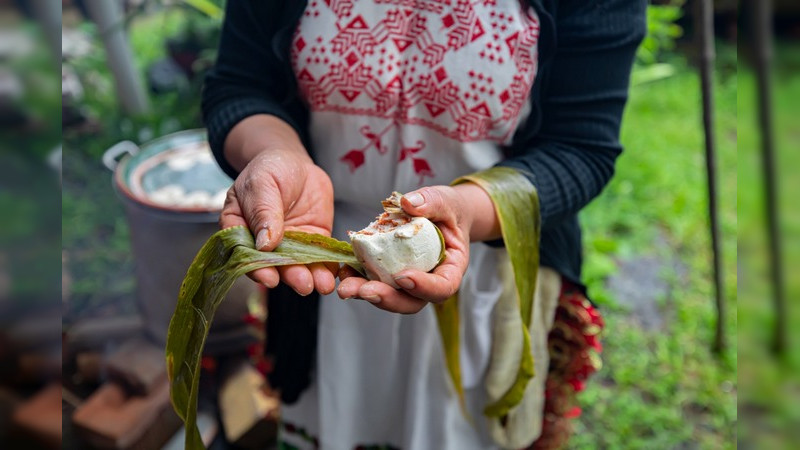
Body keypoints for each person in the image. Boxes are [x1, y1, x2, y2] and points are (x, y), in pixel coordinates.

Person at [202, 1, 645, 448]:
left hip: (488, 265)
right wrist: (277, 154)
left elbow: (579, 148)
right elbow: (239, 85)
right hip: (322, 262)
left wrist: (468, 209)